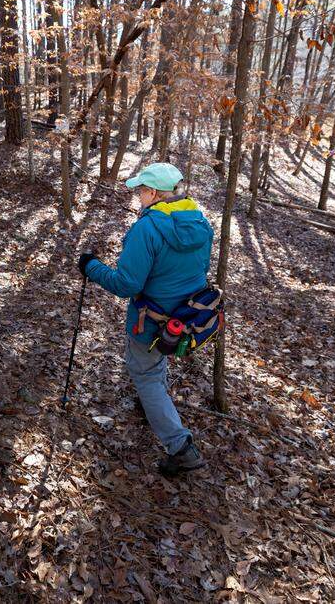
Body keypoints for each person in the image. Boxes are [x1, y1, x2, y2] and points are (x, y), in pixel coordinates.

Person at [78, 162, 212, 476]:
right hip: (185, 318)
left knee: (147, 377)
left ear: (153, 193)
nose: (138, 196)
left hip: (151, 320)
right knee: (153, 369)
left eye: (140, 191)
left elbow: (127, 285)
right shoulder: (200, 223)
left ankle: (181, 448)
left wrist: (91, 267)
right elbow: (199, 270)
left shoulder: (147, 229)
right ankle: (150, 406)